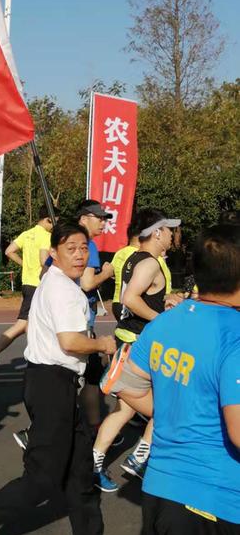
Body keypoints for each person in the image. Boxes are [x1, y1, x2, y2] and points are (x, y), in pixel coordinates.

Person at [0, 222, 117, 535]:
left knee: (80, 466)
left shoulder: (54, 281)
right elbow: (70, 342)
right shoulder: (65, 291)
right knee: (44, 476)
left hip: (55, 382)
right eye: (70, 248)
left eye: (84, 248)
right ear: (54, 254)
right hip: (52, 384)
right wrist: (103, 344)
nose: (79, 255)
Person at [129, 224, 240, 535]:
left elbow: (126, 385)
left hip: (160, 490)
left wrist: (177, 417)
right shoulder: (233, 335)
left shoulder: (165, 321)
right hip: (213, 501)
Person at [93, 209, 180, 493]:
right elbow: (130, 298)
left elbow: (138, 296)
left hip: (129, 343)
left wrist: (163, 300)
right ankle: (139, 459)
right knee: (167, 409)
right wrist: (161, 318)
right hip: (137, 348)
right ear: (157, 232)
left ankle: (93, 465)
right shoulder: (151, 263)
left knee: (123, 412)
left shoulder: (132, 257)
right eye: (168, 230)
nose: (171, 236)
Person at [0, 205, 54, 382]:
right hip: (38, 284)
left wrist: (24, 265)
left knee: (31, 325)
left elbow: (9, 251)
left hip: (27, 283)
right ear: (48, 219)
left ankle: (36, 362)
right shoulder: (45, 236)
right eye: (54, 220)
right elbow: (44, 260)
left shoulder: (27, 234)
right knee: (24, 324)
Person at [75, 200, 115, 430]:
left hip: (64, 320)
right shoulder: (87, 246)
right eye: (98, 218)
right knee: (86, 378)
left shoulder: (63, 244)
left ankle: (94, 426)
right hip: (80, 322)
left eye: (104, 218)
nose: (103, 222)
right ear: (83, 219)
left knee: (87, 376)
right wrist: (106, 272)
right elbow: (88, 283)